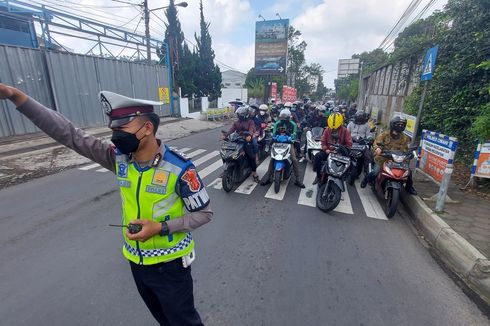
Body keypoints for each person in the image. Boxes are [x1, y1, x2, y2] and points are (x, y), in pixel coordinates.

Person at [0, 84, 212, 326]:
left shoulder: (181, 168)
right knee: (164, 321)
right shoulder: (119, 160)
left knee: (185, 323)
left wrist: (161, 228)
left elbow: (204, 214)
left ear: (148, 128)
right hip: (137, 263)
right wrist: (16, 96)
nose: (115, 135)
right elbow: (69, 134)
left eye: (122, 128)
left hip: (171, 267)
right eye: (113, 128)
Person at [361, 116, 417, 195]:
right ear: (393, 124)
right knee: (375, 172)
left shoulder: (405, 138)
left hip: (397, 159)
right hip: (383, 158)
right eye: (398, 124)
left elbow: (406, 148)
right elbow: (376, 143)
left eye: (402, 124)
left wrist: (410, 153)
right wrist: (378, 148)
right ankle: (366, 180)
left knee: (408, 172)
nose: (400, 126)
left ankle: (409, 188)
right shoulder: (384, 134)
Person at [260, 109, 305, 188]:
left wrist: (291, 137)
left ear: (288, 117)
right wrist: (273, 138)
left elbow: (294, 135)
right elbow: (273, 133)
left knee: (294, 159)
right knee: (272, 159)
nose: (283, 119)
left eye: (285, 117)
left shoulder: (293, 124)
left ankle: (297, 179)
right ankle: (268, 177)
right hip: (277, 143)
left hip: (288, 144)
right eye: (282, 117)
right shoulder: (277, 123)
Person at [313, 111, 353, 185]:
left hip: (340, 154)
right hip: (328, 152)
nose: (334, 129)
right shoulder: (327, 130)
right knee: (317, 156)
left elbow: (349, 143)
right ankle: (318, 176)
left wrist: (342, 150)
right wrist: (326, 149)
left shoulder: (345, 131)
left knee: (350, 164)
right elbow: (323, 141)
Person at [224, 106, 260, 182]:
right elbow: (231, 129)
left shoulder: (250, 121)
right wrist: (225, 135)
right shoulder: (236, 122)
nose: (239, 116)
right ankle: (227, 169)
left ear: (245, 115)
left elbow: (251, 129)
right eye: (238, 115)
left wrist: (249, 135)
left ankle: (254, 173)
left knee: (251, 156)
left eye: (240, 115)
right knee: (227, 152)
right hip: (238, 139)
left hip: (247, 140)